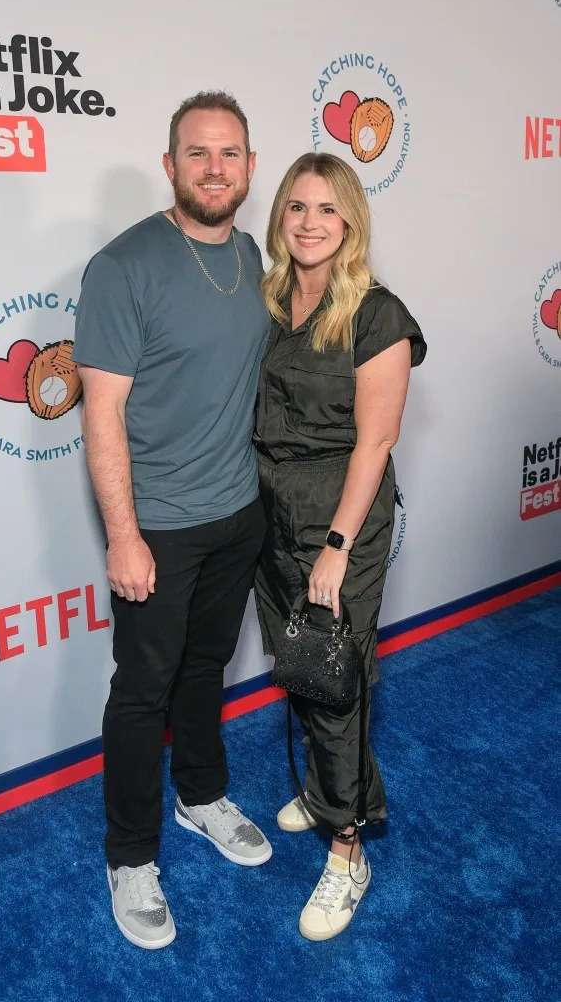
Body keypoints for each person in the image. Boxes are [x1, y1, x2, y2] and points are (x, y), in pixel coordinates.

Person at [72, 91, 272, 950]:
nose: (214, 168)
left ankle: (200, 796)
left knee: (207, 667)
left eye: (228, 153)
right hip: (159, 526)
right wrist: (123, 534)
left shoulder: (254, 253)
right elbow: (101, 414)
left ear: (250, 167)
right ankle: (130, 855)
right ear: (170, 165)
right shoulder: (123, 267)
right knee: (141, 690)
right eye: (197, 153)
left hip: (237, 512)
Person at [253, 152, 427, 940]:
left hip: (338, 519)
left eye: (326, 208)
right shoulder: (268, 299)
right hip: (265, 508)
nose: (309, 222)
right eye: (295, 207)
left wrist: (334, 545)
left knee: (336, 683)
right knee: (299, 666)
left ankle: (347, 848)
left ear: (350, 219)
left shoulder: (377, 312)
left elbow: (375, 442)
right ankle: (329, 788)